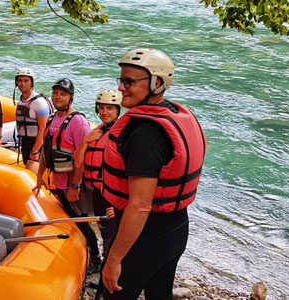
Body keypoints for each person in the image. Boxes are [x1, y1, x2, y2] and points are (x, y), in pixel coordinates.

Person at [99, 48, 206, 300]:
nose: (121, 88)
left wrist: (114, 259)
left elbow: (140, 205)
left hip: (145, 238)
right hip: (176, 230)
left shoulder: (144, 133)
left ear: (157, 83)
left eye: (130, 81)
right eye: (121, 80)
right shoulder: (176, 114)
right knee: (160, 294)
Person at [32, 78, 100, 272]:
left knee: (81, 222)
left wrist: (76, 186)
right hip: (59, 182)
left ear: (71, 97)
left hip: (73, 184)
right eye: (55, 93)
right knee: (71, 219)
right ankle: (82, 253)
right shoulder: (53, 119)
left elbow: (83, 158)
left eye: (62, 94)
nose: (58, 97)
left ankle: (96, 258)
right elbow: (47, 150)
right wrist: (39, 176)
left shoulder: (78, 122)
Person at [68, 88, 122, 260]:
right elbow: (78, 162)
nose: (104, 112)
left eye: (110, 108)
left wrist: (120, 206)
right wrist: (85, 141)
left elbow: (128, 174)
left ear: (118, 110)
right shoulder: (96, 132)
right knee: (106, 234)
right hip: (99, 194)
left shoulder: (122, 135)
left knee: (113, 238)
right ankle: (105, 273)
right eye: (101, 108)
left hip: (113, 197)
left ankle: (111, 280)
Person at [14, 67, 51, 168]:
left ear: (32, 82)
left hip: (37, 145)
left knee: (32, 173)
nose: (22, 84)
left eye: (26, 81)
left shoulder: (39, 103)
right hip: (26, 143)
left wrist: (35, 151)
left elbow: (43, 129)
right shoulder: (22, 100)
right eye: (20, 81)